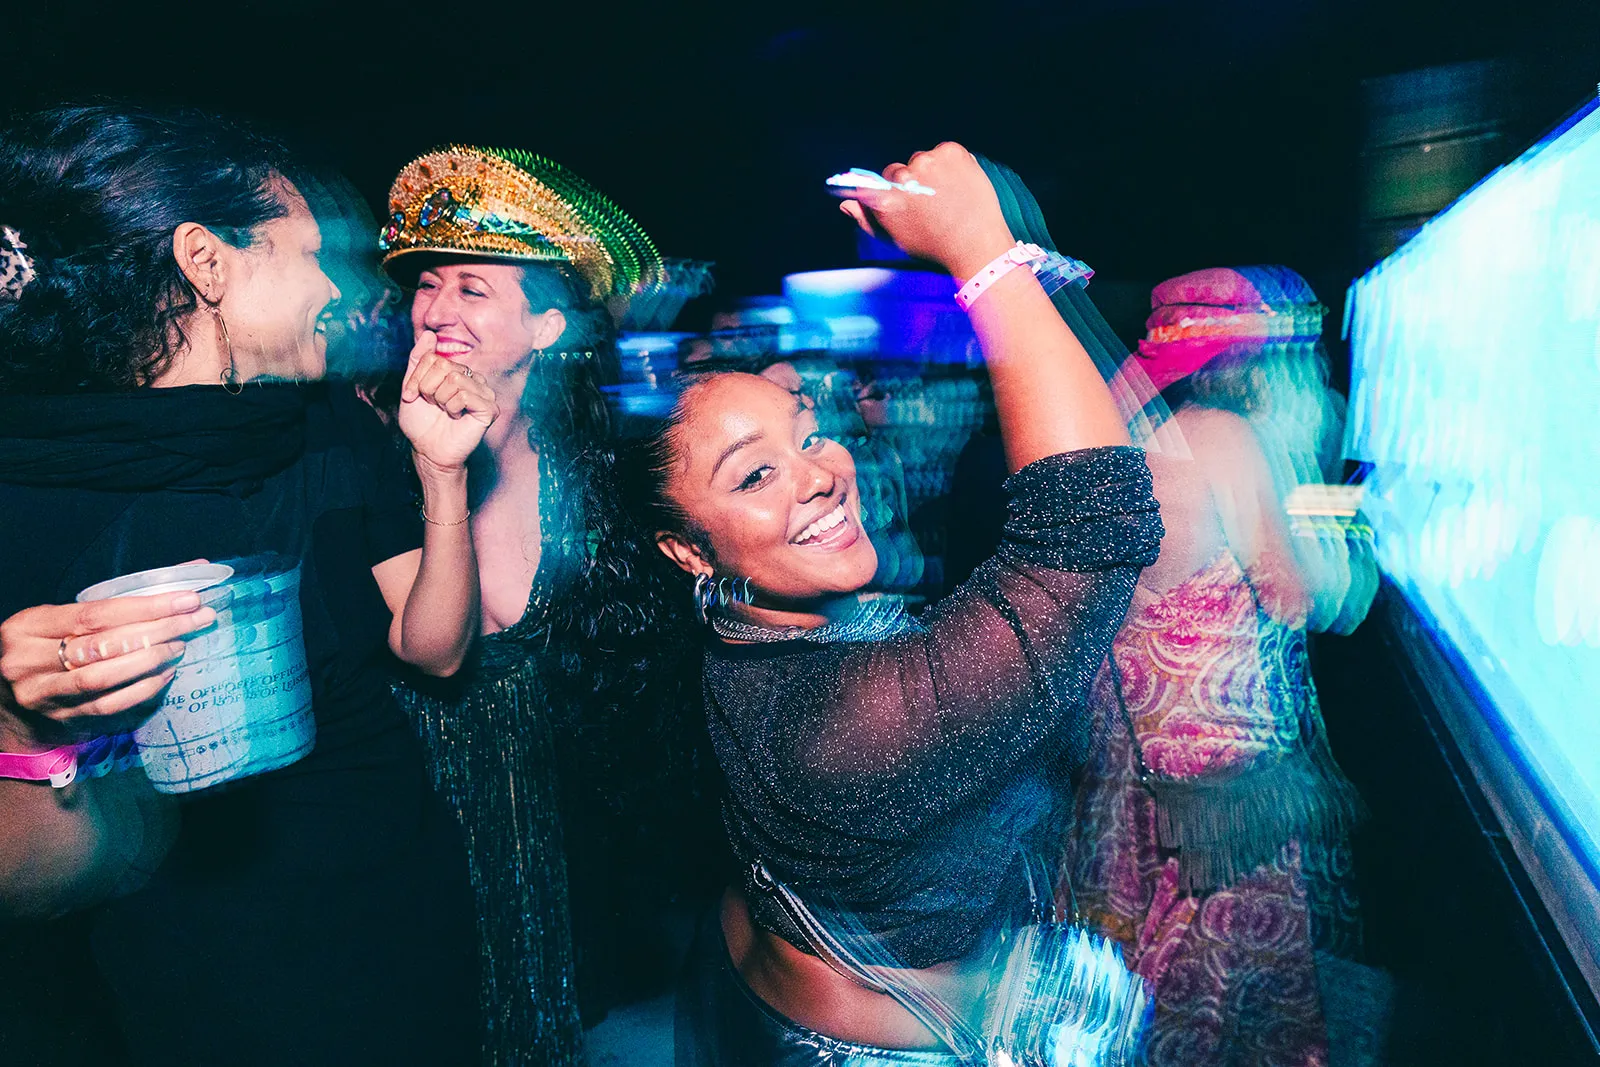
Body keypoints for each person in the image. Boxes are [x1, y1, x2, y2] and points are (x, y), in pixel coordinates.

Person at [617, 143, 1164, 1064]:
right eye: (755, 473)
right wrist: (977, 248)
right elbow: (1091, 530)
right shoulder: (832, 725)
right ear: (685, 549)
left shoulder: (746, 625)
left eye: (809, 435)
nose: (823, 475)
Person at [0, 106, 492, 1065]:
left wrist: (442, 475)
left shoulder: (322, 426)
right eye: (310, 252)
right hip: (191, 968)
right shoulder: (31, 492)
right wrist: (26, 732)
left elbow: (434, 648)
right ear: (208, 262)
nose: (336, 285)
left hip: (394, 899)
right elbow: (27, 883)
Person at [378, 145, 714, 1063]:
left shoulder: (611, 476)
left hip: (597, 883)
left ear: (550, 325)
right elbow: (430, 655)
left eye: (472, 289)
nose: (437, 309)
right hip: (437, 870)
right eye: (429, 285)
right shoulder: (379, 457)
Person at [1064, 266, 1370, 1067]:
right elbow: (1300, 594)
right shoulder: (1227, 438)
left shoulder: (1122, 431)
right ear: (1247, 360)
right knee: (1222, 988)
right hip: (1227, 788)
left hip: (1131, 760)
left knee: (1140, 953)